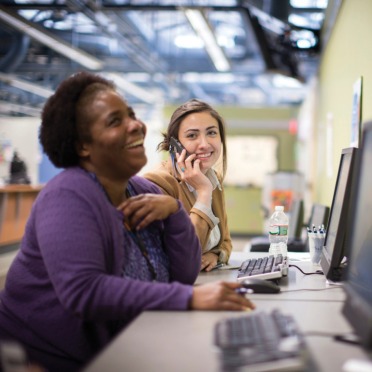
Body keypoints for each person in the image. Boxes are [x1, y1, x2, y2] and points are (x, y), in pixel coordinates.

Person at [0, 72, 254, 372]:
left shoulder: (141, 190)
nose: (136, 125)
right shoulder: (68, 195)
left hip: (120, 343)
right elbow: (86, 291)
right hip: (43, 357)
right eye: (114, 121)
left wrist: (174, 211)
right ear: (83, 145)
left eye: (131, 115)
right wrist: (189, 297)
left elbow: (183, 273)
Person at [144, 99, 232, 272]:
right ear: (175, 144)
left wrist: (216, 255)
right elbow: (183, 255)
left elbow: (226, 242)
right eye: (192, 135)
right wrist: (204, 193)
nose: (205, 144)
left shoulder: (212, 178)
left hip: (204, 281)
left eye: (212, 133)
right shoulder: (156, 184)